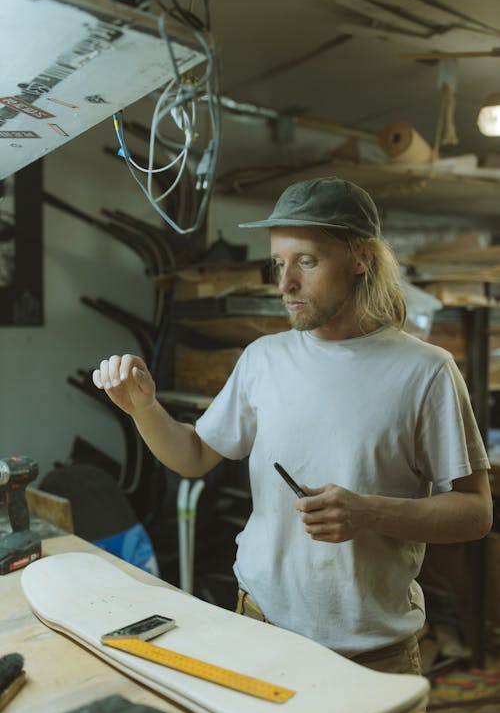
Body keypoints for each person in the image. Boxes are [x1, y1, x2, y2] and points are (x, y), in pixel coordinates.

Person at [92, 176, 493, 675]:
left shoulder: (426, 370)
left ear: (362, 259)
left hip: (372, 653)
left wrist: (370, 514)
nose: (285, 285)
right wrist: (143, 409)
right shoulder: (264, 358)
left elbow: (476, 512)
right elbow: (192, 456)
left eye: (307, 261)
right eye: (279, 264)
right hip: (258, 627)